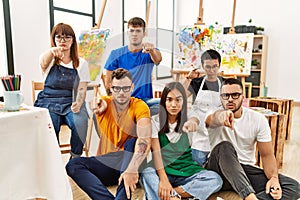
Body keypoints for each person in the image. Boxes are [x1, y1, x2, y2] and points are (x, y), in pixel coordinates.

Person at [184, 78, 300, 200]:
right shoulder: (213, 112)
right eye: (225, 95)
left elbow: (267, 155)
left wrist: (274, 179)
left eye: (235, 95)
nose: (230, 99)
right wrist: (222, 116)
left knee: (292, 187)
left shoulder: (258, 119)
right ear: (220, 98)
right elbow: (211, 119)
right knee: (224, 146)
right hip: (218, 170)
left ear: (243, 97)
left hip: (244, 171)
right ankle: (249, 197)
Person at [66, 68, 152, 200]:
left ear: (132, 87)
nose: (121, 93)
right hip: (111, 161)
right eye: (117, 89)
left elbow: (144, 140)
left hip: (133, 160)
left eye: (126, 88)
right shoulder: (104, 103)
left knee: (132, 142)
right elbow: (99, 102)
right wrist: (97, 104)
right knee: (73, 164)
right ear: (111, 88)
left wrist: (132, 169)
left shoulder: (140, 106)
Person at [141, 82, 222, 200]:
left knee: (215, 179)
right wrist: (163, 180)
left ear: (183, 101)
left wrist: (192, 123)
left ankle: (172, 195)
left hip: (186, 170)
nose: (174, 104)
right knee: (147, 173)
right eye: (169, 100)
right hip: (163, 170)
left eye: (178, 100)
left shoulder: (189, 117)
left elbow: (195, 120)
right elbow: (156, 153)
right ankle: (176, 195)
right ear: (164, 101)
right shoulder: (155, 121)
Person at [34, 23, 90, 158]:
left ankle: (75, 157)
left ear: (73, 40)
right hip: (48, 101)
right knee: (50, 126)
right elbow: (42, 63)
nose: (62, 41)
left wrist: (79, 101)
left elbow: (82, 88)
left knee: (81, 122)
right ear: (54, 39)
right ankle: (53, 159)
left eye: (67, 37)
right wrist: (52, 52)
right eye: (58, 37)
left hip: (71, 101)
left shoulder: (81, 63)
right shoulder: (49, 58)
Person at [104, 17, 162, 115]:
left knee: (165, 105)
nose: (134, 34)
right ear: (128, 33)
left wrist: (151, 50)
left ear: (144, 33)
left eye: (138, 31)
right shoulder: (115, 54)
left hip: (144, 102)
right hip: (123, 102)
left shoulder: (149, 52)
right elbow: (108, 83)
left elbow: (158, 59)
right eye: (132, 31)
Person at [184, 49, 225, 166]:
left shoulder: (225, 84)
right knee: (198, 170)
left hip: (219, 137)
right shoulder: (196, 82)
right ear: (202, 66)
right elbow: (180, 97)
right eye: (208, 67)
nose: (211, 70)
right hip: (199, 139)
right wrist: (188, 79)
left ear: (219, 65)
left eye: (215, 66)